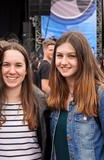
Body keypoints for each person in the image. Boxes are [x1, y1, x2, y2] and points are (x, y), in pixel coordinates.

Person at [0, 42, 50, 160]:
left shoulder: (40, 102)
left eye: (18, 65)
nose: (12, 71)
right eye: (6, 65)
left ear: (26, 70)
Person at [47, 31, 104, 160]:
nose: (64, 62)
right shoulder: (54, 95)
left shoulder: (99, 94)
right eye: (59, 56)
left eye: (71, 56)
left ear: (83, 58)